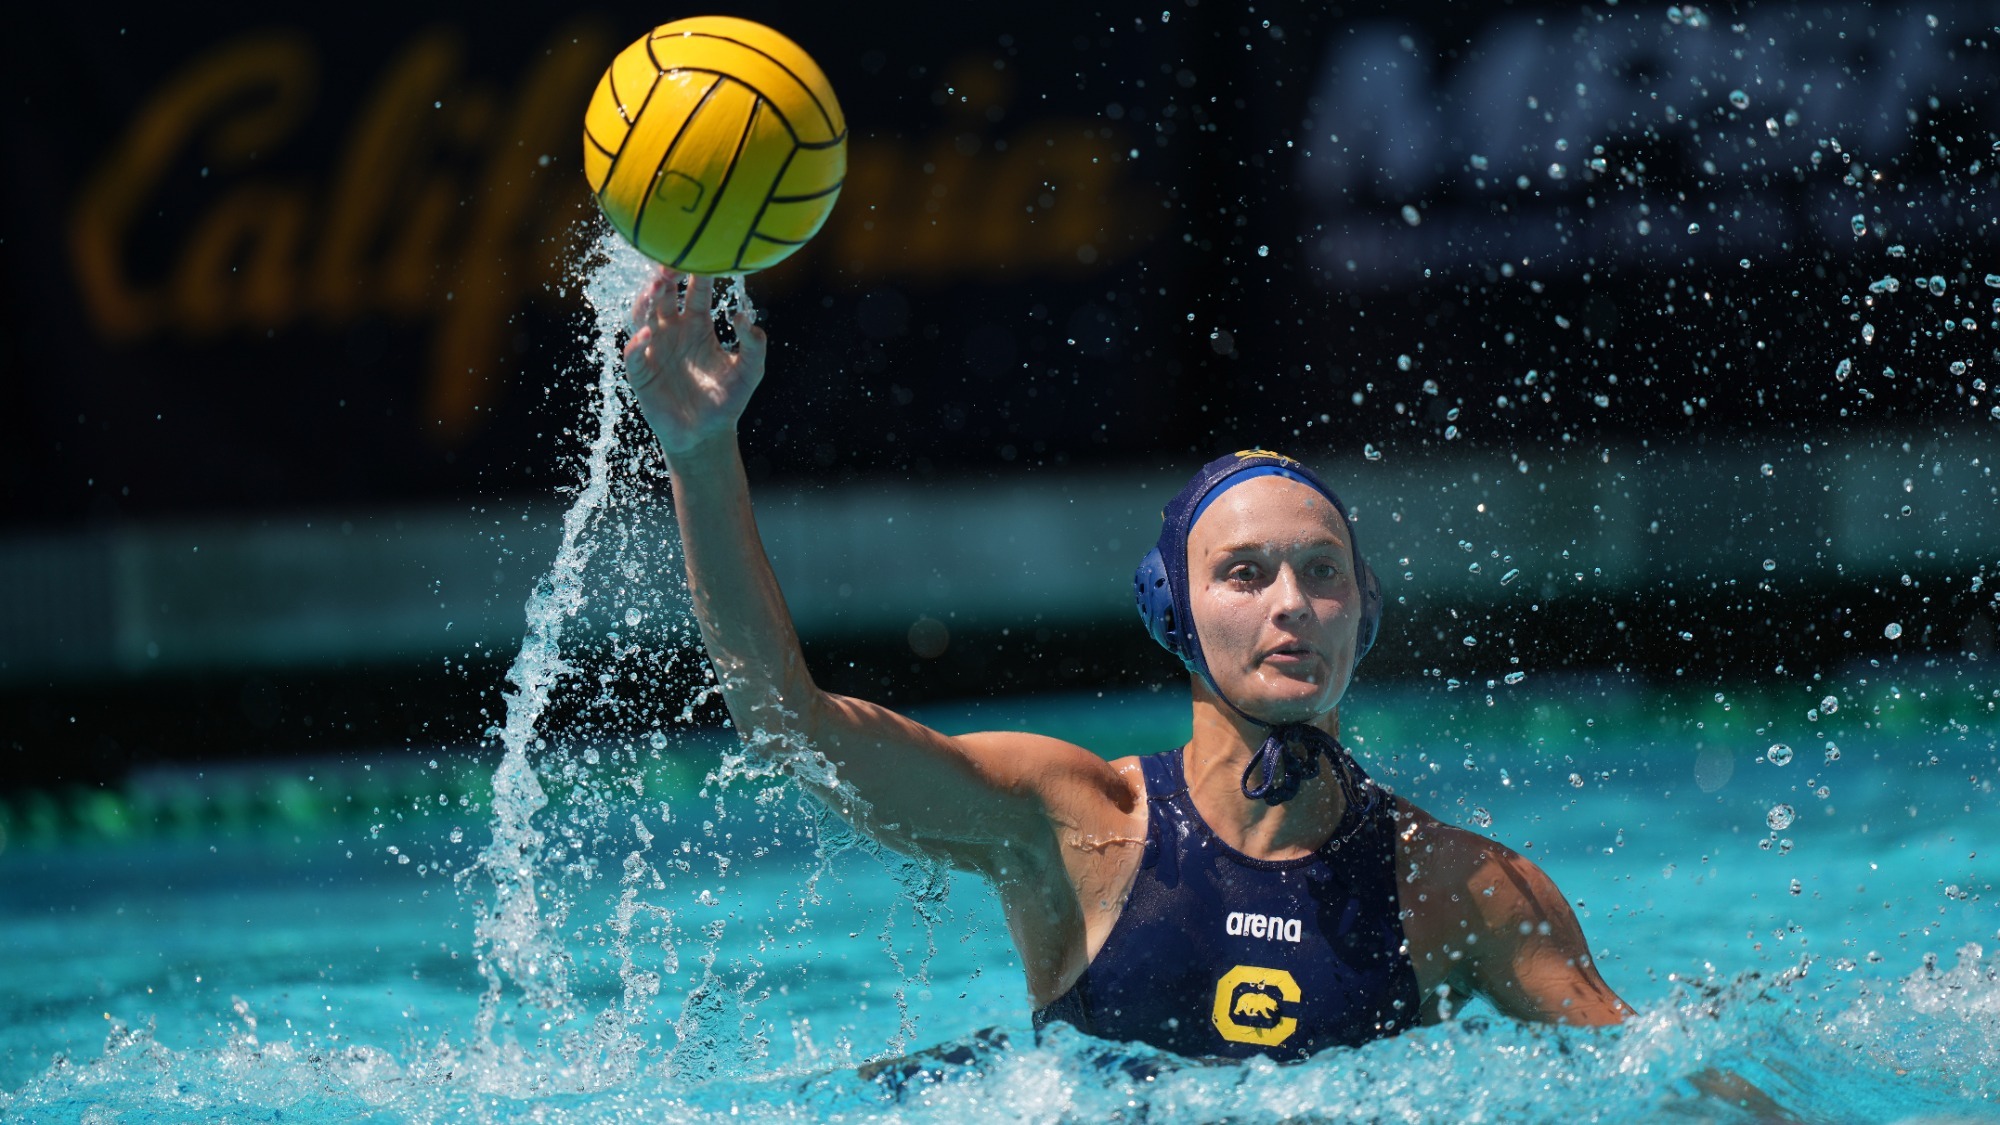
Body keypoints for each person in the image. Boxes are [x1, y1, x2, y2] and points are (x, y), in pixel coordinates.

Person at [621, 265, 1633, 1060]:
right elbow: (785, 727)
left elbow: (1657, 1077)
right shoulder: (1074, 826)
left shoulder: (1462, 887)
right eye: (1243, 573)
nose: (1290, 604)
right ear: (1172, 613)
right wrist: (700, 454)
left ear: (1362, 612)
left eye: (1320, 572)